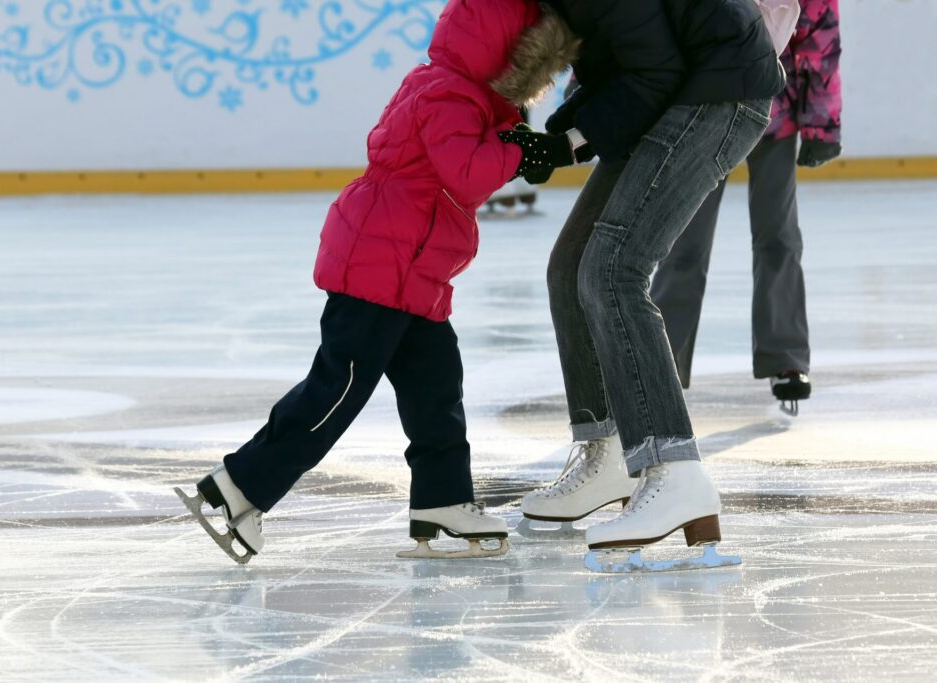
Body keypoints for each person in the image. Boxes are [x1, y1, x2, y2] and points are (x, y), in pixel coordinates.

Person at [174, 0, 580, 563]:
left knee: (436, 389)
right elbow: (467, 173)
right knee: (338, 388)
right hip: (379, 267)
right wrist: (524, 150)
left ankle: (442, 501)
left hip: (415, 274)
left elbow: (477, 159)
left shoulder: (458, 92)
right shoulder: (448, 95)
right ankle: (239, 485)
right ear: (508, 56)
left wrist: (521, 142)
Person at [499, 0, 785, 570]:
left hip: (720, 91)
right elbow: (620, 60)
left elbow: (652, 71)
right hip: (680, 85)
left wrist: (568, 142)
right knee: (571, 266)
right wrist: (562, 134)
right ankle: (606, 452)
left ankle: (675, 471)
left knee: (613, 270)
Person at [650, 0, 842, 415]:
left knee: (778, 236)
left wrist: (821, 123)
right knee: (683, 242)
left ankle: (785, 358)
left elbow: (819, 36)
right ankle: (660, 362)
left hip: (774, 111)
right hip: (701, 110)